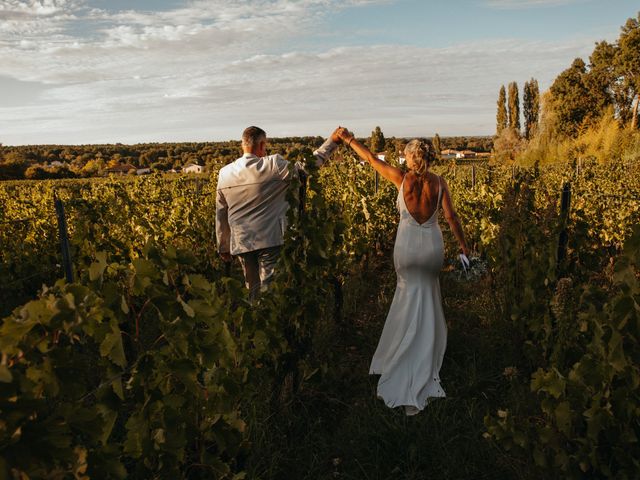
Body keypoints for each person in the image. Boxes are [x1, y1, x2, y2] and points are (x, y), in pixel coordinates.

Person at [338, 130, 469, 415]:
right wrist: (464, 247)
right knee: (430, 296)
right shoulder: (440, 183)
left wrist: (349, 140)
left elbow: (372, 159)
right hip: (432, 248)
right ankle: (427, 351)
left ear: (411, 158)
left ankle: (400, 352)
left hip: (407, 248)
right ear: (430, 158)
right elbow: (450, 217)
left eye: (407, 155)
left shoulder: (402, 179)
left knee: (406, 296)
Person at [216, 126, 345, 300]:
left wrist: (223, 245)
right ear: (261, 144)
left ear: (243, 145)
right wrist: (332, 143)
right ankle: (273, 324)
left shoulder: (224, 173)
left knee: (252, 291)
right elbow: (307, 167)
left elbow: (221, 212)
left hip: (241, 242)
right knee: (270, 292)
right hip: (270, 239)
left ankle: (255, 323)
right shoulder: (273, 164)